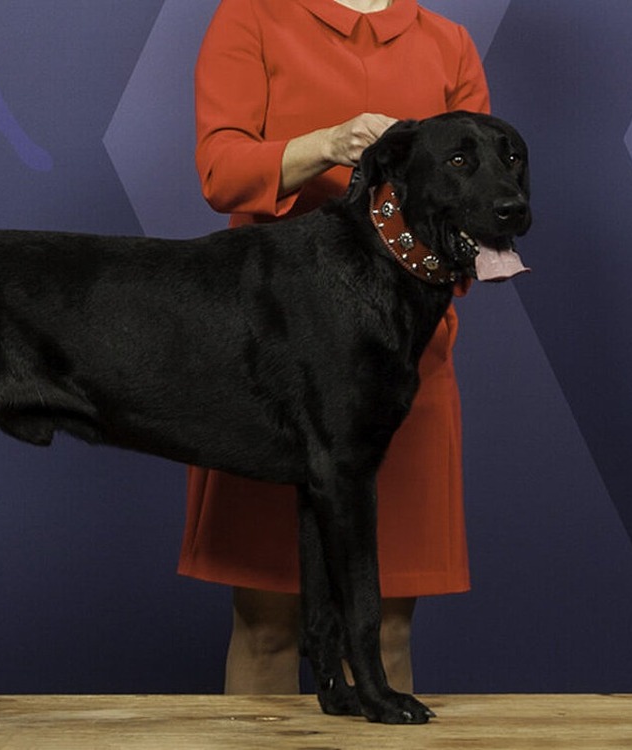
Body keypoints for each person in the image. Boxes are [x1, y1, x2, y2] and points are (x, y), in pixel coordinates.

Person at [178, 0, 491, 695]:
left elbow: (474, 203)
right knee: (267, 629)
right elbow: (221, 172)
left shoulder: (450, 43)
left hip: (403, 368)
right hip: (272, 366)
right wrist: (329, 142)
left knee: (384, 630)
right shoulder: (251, 17)